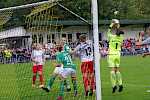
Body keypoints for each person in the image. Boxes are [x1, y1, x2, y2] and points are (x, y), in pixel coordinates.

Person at [107, 19, 124, 93]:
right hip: (118, 54)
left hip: (111, 54)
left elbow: (108, 31)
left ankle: (114, 85)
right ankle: (120, 84)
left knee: (112, 71)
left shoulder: (111, 37)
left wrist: (112, 24)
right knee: (117, 70)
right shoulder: (121, 38)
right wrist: (117, 24)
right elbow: (120, 31)